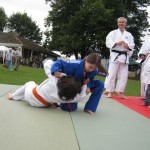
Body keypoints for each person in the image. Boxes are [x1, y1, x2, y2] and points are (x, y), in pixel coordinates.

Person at [8, 74, 89, 108]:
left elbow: (47, 62)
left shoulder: (53, 79)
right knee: (37, 87)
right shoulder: (67, 98)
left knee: (31, 83)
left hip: (31, 95)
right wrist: (85, 84)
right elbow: (81, 97)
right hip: (41, 105)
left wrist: (59, 73)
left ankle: (13, 96)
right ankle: (53, 102)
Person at [104, 17, 135, 98]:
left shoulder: (129, 35)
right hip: (115, 56)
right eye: (120, 22)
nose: (121, 23)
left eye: (123, 22)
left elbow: (132, 45)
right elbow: (108, 42)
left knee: (124, 76)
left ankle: (120, 92)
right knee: (111, 75)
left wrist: (127, 45)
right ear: (117, 23)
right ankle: (109, 91)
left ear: (125, 24)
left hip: (124, 57)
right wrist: (116, 43)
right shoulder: (113, 33)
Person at [138, 39, 150, 103]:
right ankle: (144, 96)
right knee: (143, 79)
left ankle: (147, 98)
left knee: (148, 82)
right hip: (145, 61)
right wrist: (141, 55)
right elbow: (142, 50)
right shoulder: (147, 41)